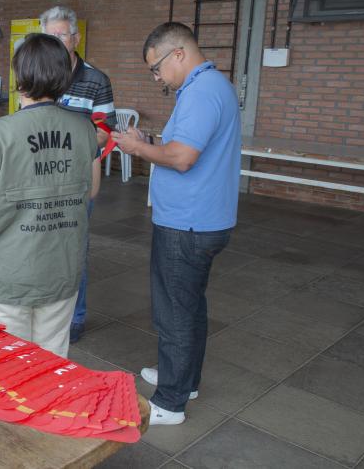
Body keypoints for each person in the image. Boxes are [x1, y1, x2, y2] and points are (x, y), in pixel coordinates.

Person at [113, 22, 240, 425]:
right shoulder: (209, 86)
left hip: (188, 224)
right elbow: (183, 149)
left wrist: (136, 148)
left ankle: (170, 401)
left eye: (157, 68)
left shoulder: (202, 92)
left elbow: (183, 158)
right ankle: (183, 378)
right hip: (202, 219)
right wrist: (152, 145)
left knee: (174, 312)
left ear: (179, 54)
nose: (157, 78)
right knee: (189, 306)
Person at [0, 33, 101, 358]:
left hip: (10, 274)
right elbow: (92, 189)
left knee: (11, 368)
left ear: (19, 78)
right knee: (52, 362)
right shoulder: (85, 130)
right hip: (61, 269)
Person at [40, 5, 117, 344]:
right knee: (40, 245)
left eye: (61, 35)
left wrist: (66, 144)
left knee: (75, 248)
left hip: (78, 179)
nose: (56, 42)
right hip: (40, 177)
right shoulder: (38, 74)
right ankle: (44, 307)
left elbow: (104, 130)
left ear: (76, 37)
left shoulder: (96, 80)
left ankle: (76, 316)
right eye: (49, 36)